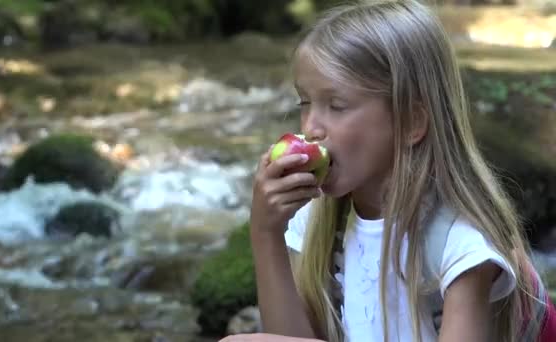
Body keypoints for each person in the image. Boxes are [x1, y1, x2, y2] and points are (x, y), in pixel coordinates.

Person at [220, 0, 544, 341]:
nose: (311, 127)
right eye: (305, 103)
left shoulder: (459, 244)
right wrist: (266, 232)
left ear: (410, 122)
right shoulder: (320, 221)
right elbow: (289, 337)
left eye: (337, 106)